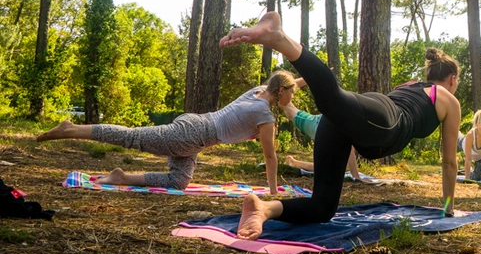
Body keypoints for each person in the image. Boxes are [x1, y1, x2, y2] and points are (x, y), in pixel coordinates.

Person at [218, 11, 461, 240]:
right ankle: (278, 38)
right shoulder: (449, 100)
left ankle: (263, 209)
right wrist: (448, 208)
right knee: (333, 98)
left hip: (363, 117)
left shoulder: (410, 84)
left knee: (322, 207)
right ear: (452, 79)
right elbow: (449, 162)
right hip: (388, 122)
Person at [37, 70, 296, 195]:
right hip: (190, 135)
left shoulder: (258, 91)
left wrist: (311, 79)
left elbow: (284, 82)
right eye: (292, 91)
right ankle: (71, 129)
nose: (294, 95)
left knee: (177, 183)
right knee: (132, 136)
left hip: (195, 135)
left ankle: (120, 176)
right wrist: (273, 192)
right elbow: (270, 157)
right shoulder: (264, 115)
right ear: (282, 91)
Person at [280, 84, 363, 182]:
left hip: (322, 128)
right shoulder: (347, 124)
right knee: (289, 109)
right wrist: (356, 176)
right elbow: (349, 150)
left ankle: (293, 162)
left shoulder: (349, 125)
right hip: (316, 123)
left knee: (330, 168)